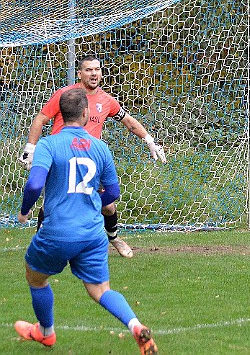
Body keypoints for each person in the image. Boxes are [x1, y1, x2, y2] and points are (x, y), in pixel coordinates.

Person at [14, 88, 158, 354]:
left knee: (35, 278)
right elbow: (113, 192)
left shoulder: (49, 144)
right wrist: (94, 203)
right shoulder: (101, 147)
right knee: (101, 290)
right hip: (92, 234)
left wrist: (24, 211)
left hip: (58, 231)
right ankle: (135, 325)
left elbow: (34, 184)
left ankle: (46, 333)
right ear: (85, 113)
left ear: (61, 113)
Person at [18, 55, 166, 258]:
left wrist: (149, 140)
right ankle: (41, 246)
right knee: (51, 203)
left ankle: (113, 238)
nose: (94, 73)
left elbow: (129, 121)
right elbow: (41, 119)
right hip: (61, 159)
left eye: (97, 69)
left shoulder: (106, 100)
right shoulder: (65, 95)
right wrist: (30, 148)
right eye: (88, 70)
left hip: (89, 161)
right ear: (80, 73)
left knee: (108, 205)